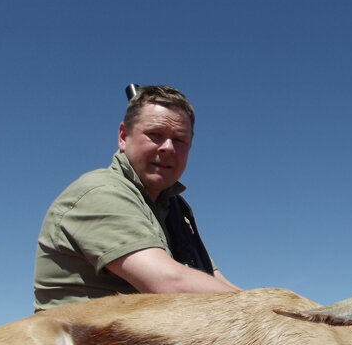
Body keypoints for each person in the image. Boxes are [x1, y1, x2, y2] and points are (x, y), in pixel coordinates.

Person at [33, 84, 239, 311]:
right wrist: (268, 309)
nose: (168, 148)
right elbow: (169, 282)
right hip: (83, 341)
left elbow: (214, 278)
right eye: (155, 135)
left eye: (179, 140)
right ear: (123, 136)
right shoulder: (100, 192)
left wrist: (271, 307)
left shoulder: (176, 210)